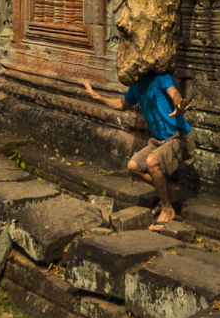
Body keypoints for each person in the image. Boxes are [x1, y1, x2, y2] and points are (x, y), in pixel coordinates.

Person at [81, 67, 189, 227]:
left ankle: (167, 209)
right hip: (158, 140)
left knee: (152, 162)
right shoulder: (136, 87)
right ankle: (168, 195)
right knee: (133, 166)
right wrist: (97, 96)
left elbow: (174, 92)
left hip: (179, 137)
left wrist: (179, 103)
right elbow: (121, 104)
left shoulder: (161, 77)